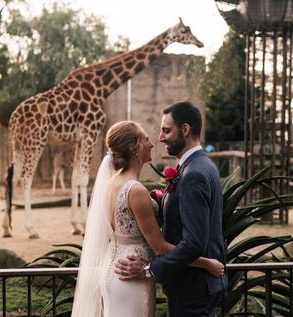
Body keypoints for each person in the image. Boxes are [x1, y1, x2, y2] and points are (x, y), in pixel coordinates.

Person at [71, 120, 224, 317]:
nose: (152, 143)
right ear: (135, 148)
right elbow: (158, 247)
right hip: (132, 274)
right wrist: (206, 263)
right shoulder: (135, 190)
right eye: (146, 139)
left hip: (113, 268)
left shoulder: (110, 184)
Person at [115, 101, 228, 316]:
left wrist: (149, 270)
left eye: (166, 130)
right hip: (194, 286)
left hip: (193, 289)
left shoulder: (193, 173)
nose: (160, 138)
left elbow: (194, 243)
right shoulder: (201, 165)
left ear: (185, 130)